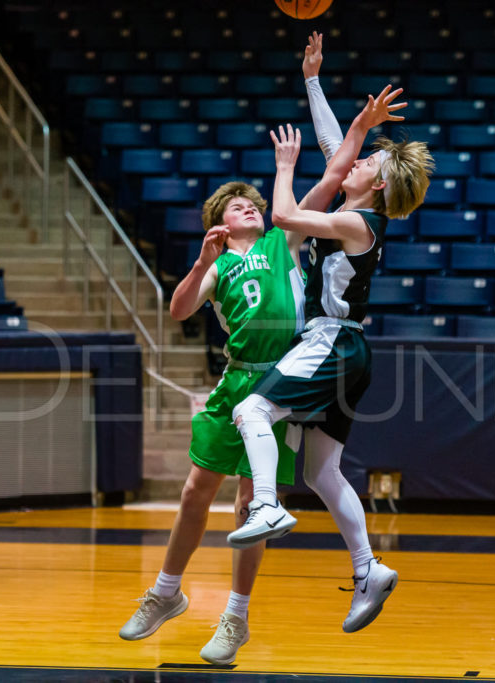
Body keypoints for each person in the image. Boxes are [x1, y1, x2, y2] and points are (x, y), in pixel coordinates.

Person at [228, 31, 434, 633]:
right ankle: (368, 569)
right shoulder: (359, 213)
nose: (354, 163)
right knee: (322, 471)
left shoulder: (355, 222)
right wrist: (315, 80)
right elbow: (335, 147)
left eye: (366, 164)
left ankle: (265, 505)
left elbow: (286, 215)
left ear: (377, 186)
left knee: (252, 412)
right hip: (348, 346)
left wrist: (284, 170)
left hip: (332, 342)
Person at [117, 181, 304, 665]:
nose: (248, 207)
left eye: (251, 204)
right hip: (237, 381)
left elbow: (326, 184)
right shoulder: (218, 266)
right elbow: (179, 309)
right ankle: (166, 593)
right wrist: (202, 261)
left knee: (250, 504)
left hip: (280, 386)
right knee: (195, 491)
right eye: (235, 206)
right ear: (220, 224)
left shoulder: (280, 240)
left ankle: (236, 617)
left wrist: (286, 165)